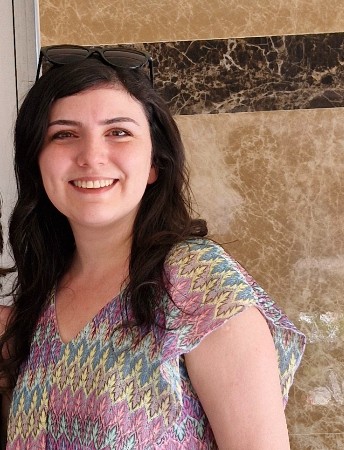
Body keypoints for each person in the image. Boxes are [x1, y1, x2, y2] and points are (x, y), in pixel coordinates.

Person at [0, 45, 305, 449]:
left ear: (154, 163)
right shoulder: (37, 301)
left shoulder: (197, 283)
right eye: (64, 134)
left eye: (118, 132)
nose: (91, 156)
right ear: (37, 163)